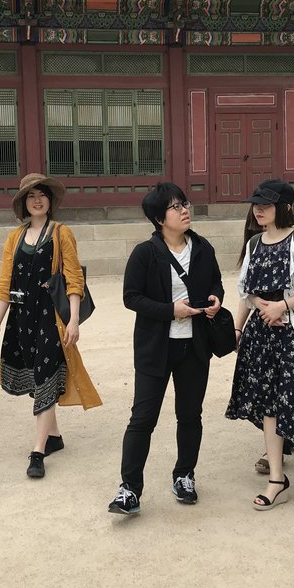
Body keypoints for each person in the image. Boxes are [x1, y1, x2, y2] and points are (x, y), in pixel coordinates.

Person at [107, 183, 224, 515]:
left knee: (189, 415)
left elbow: (216, 282)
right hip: (154, 348)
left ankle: (185, 475)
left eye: (184, 203)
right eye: (175, 207)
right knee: (142, 418)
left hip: (194, 346)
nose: (184, 210)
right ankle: (129, 489)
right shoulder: (145, 253)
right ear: (159, 219)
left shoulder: (203, 248)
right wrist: (171, 310)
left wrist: (216, 299)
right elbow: (132, 297)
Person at [225, 179, 294, 510]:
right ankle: (276, 478)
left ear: (284, 207)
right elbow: (244, 289)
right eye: (256, 204)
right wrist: (257, 310)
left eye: (266, 205)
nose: (258, 210)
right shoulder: (255, 243)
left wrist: (282, 306)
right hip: (262, 334)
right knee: (269, 404)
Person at [0, 173, 102, 478]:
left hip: (51, 318)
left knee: (45, 373)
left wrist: (73, 320)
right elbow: (5, 283)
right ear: (23, 203)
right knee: (36, 376)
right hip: (21, 317)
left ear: (50, 201)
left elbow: (74, 278)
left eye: (42, 195)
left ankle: (38, 452)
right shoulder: (14, 237)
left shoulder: (61, 233)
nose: (37, 200)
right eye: (30, 196)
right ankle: (54, 436)